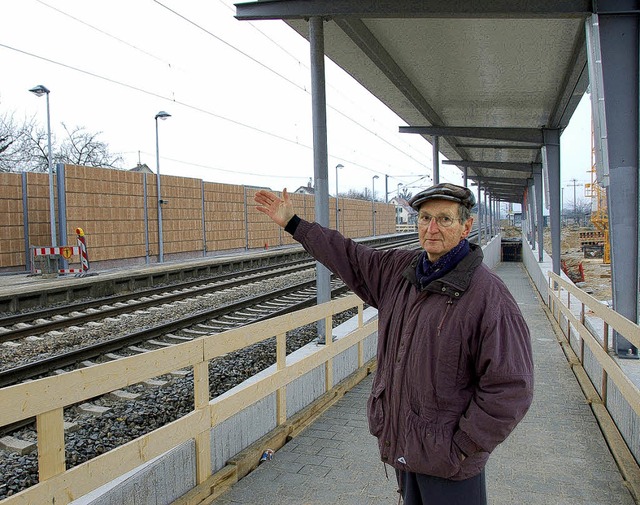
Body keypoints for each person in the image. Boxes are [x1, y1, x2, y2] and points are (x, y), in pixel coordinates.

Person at [254, 183, 534, 505]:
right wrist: (294, 224)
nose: (432, 228)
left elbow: (512, 388)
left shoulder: (489, 297)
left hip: (450, 465)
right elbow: (348, 256)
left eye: (444, 219)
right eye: (425, 218)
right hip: (405, 450)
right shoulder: (400, 273)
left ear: (465, 226)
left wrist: (462, 446)